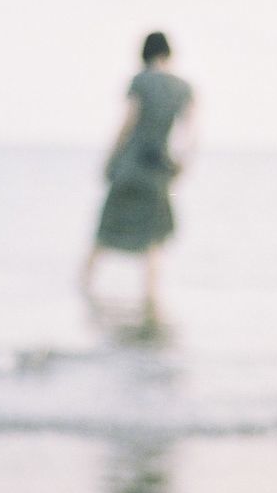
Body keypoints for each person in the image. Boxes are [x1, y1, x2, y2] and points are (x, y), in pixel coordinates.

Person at [81, 31, 195, 303]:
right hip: (159, 172)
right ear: (168, 53)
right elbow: (190, 132)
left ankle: (82, 289)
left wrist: (109, 160)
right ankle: (150, 302)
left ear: (144, 54)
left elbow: (127, 123)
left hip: (131, 167)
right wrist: (182, 164)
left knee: (104, 233)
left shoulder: (140, 82)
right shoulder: (183, 88)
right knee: (153, 241)